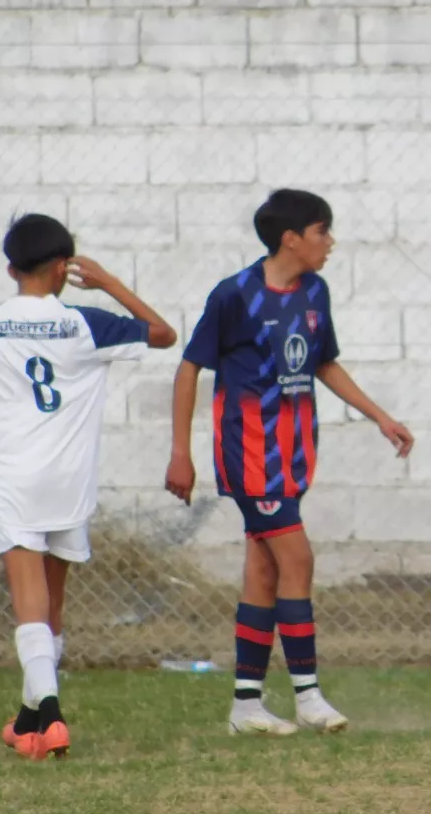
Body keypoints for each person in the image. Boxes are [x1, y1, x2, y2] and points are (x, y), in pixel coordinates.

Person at [164, 188, 414, 737]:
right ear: (291, 239)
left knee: (265, 571)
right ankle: (309, 696)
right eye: (323, 231)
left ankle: (246, 707)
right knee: (297, 561)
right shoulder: (234, 296)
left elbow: (324, 364)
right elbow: (189, 369)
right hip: (249, 454)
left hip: (295, 455)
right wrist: (181, 453)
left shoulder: (315, 292)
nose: (331, 242)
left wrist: (379, 416)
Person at [0, 214, 177, 760]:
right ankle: (27, 722)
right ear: (65, 267)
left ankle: (53, 714)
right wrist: (111, 283)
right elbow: (163, 334)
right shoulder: (84, 321)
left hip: (16, 474)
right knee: (52, 603)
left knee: (28, 605)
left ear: (10, 269)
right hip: (70, 478)